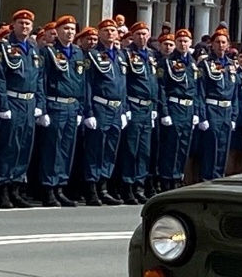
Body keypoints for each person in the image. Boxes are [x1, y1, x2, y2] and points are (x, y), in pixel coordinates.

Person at [0, 9, 45, 209]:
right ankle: (3, 188)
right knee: (9, 146)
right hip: (13, 101)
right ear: (13, 25)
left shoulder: (32, 49)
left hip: (29, 103)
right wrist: (3, 106)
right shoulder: (4, 47)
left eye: (28, 24)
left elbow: (39, 79)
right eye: (21, 23)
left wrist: (40, 104)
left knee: (24, 146)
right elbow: (1, 78)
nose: (24, 27)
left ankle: (16, 187)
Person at [39, 16, 86, 207]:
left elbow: (81, 83)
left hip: (72, 105)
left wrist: (81, 109)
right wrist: (42, 109)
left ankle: (61, 186)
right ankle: (48, 188)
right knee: (53, 148)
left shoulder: (77, 52)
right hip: (56, 104)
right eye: (65, 28)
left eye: (72, 29)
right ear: (57, 31)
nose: (70, 32)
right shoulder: (48, 52)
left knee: (66, 148)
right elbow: (41, 80)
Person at [81, 19, 127, 205]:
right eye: (106, 30)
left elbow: (123, 85)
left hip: (116, 107)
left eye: (113, 30)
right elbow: (88, 85)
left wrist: (125, 109)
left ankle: (104, 186)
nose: (110, 33)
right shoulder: (92, 55)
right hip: (100, 106)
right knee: (95, 148)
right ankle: (91, 188)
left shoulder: (121, 55)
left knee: (110, 149)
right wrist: (89, 112)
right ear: (99, 33)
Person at [119, 22, 159, 204]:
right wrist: (125, 108)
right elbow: (123, 83)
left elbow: (155, 83)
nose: (142, 37)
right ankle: (127, 185)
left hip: (148, 107)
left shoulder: (152, 55)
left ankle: (139, 184)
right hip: (134, 105)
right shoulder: (126, 54)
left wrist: (155, 108)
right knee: (131, 148)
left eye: (145, 34)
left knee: (144, 150)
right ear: (132, 36)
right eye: (139, 34)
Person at [157, 28, 199, 191]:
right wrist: (165, 112)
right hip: (174, 106)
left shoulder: (193, 64)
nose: (183, 44)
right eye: (180, 41)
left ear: (190, 43)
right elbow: (162, 88)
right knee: (171, 145)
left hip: (188, 108)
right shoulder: (167, 62)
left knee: (183, 145)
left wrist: (196, 111)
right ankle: (167, 178)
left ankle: (178, 176)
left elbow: (195, 89)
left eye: (186, 41)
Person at [196, 27, 236, 181]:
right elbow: (200, 91)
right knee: (210, 148)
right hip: (212, 109)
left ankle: (219, 178)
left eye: (223, 42)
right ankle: (207, 179)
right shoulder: (205, 64)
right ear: (211, 44)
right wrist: (202, 116)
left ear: (228, 45)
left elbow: (235, 93)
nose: (220, 45)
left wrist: (234, 115)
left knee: (223, 148)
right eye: (217, 42)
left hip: (226, 110)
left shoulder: (231, 65)